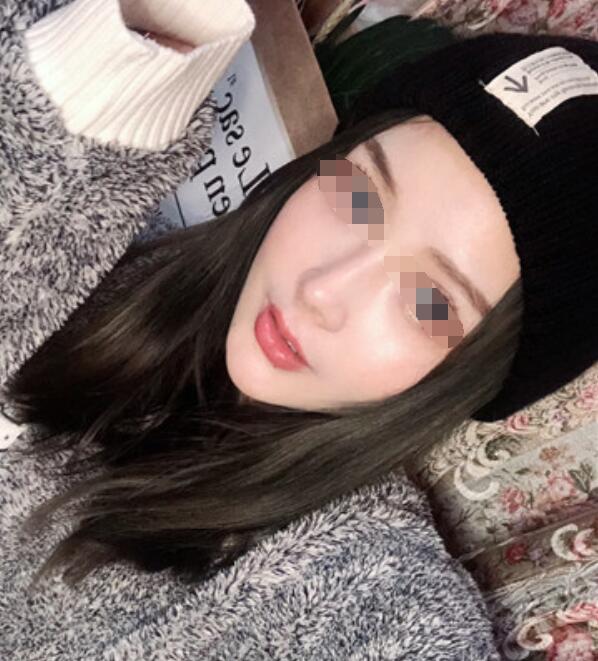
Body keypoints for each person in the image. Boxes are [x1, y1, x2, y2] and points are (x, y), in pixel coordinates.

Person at [0, 0, 595, 658]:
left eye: (428, 302)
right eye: (358, 197)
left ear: (476, 374)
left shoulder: (366, 598)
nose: (322, 291)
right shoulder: (112, 259)